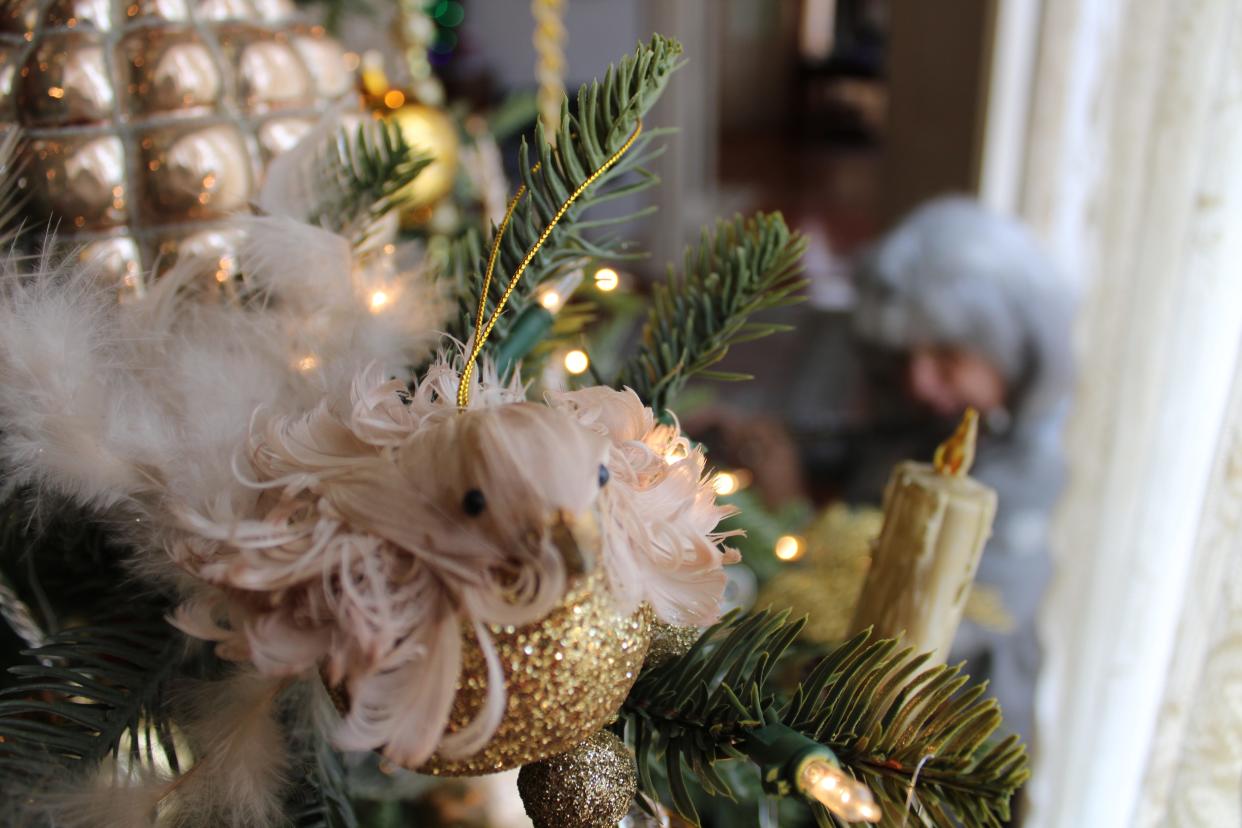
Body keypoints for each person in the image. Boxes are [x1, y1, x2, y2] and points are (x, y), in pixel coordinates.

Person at [851, 195, 1077, 746]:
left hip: (953, 740)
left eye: (948, 357)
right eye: (908, 358)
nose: (920, 383)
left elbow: (907, 622)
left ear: (1013, 351)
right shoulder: (938, 426)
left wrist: (803, 515)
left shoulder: (1028, 474)